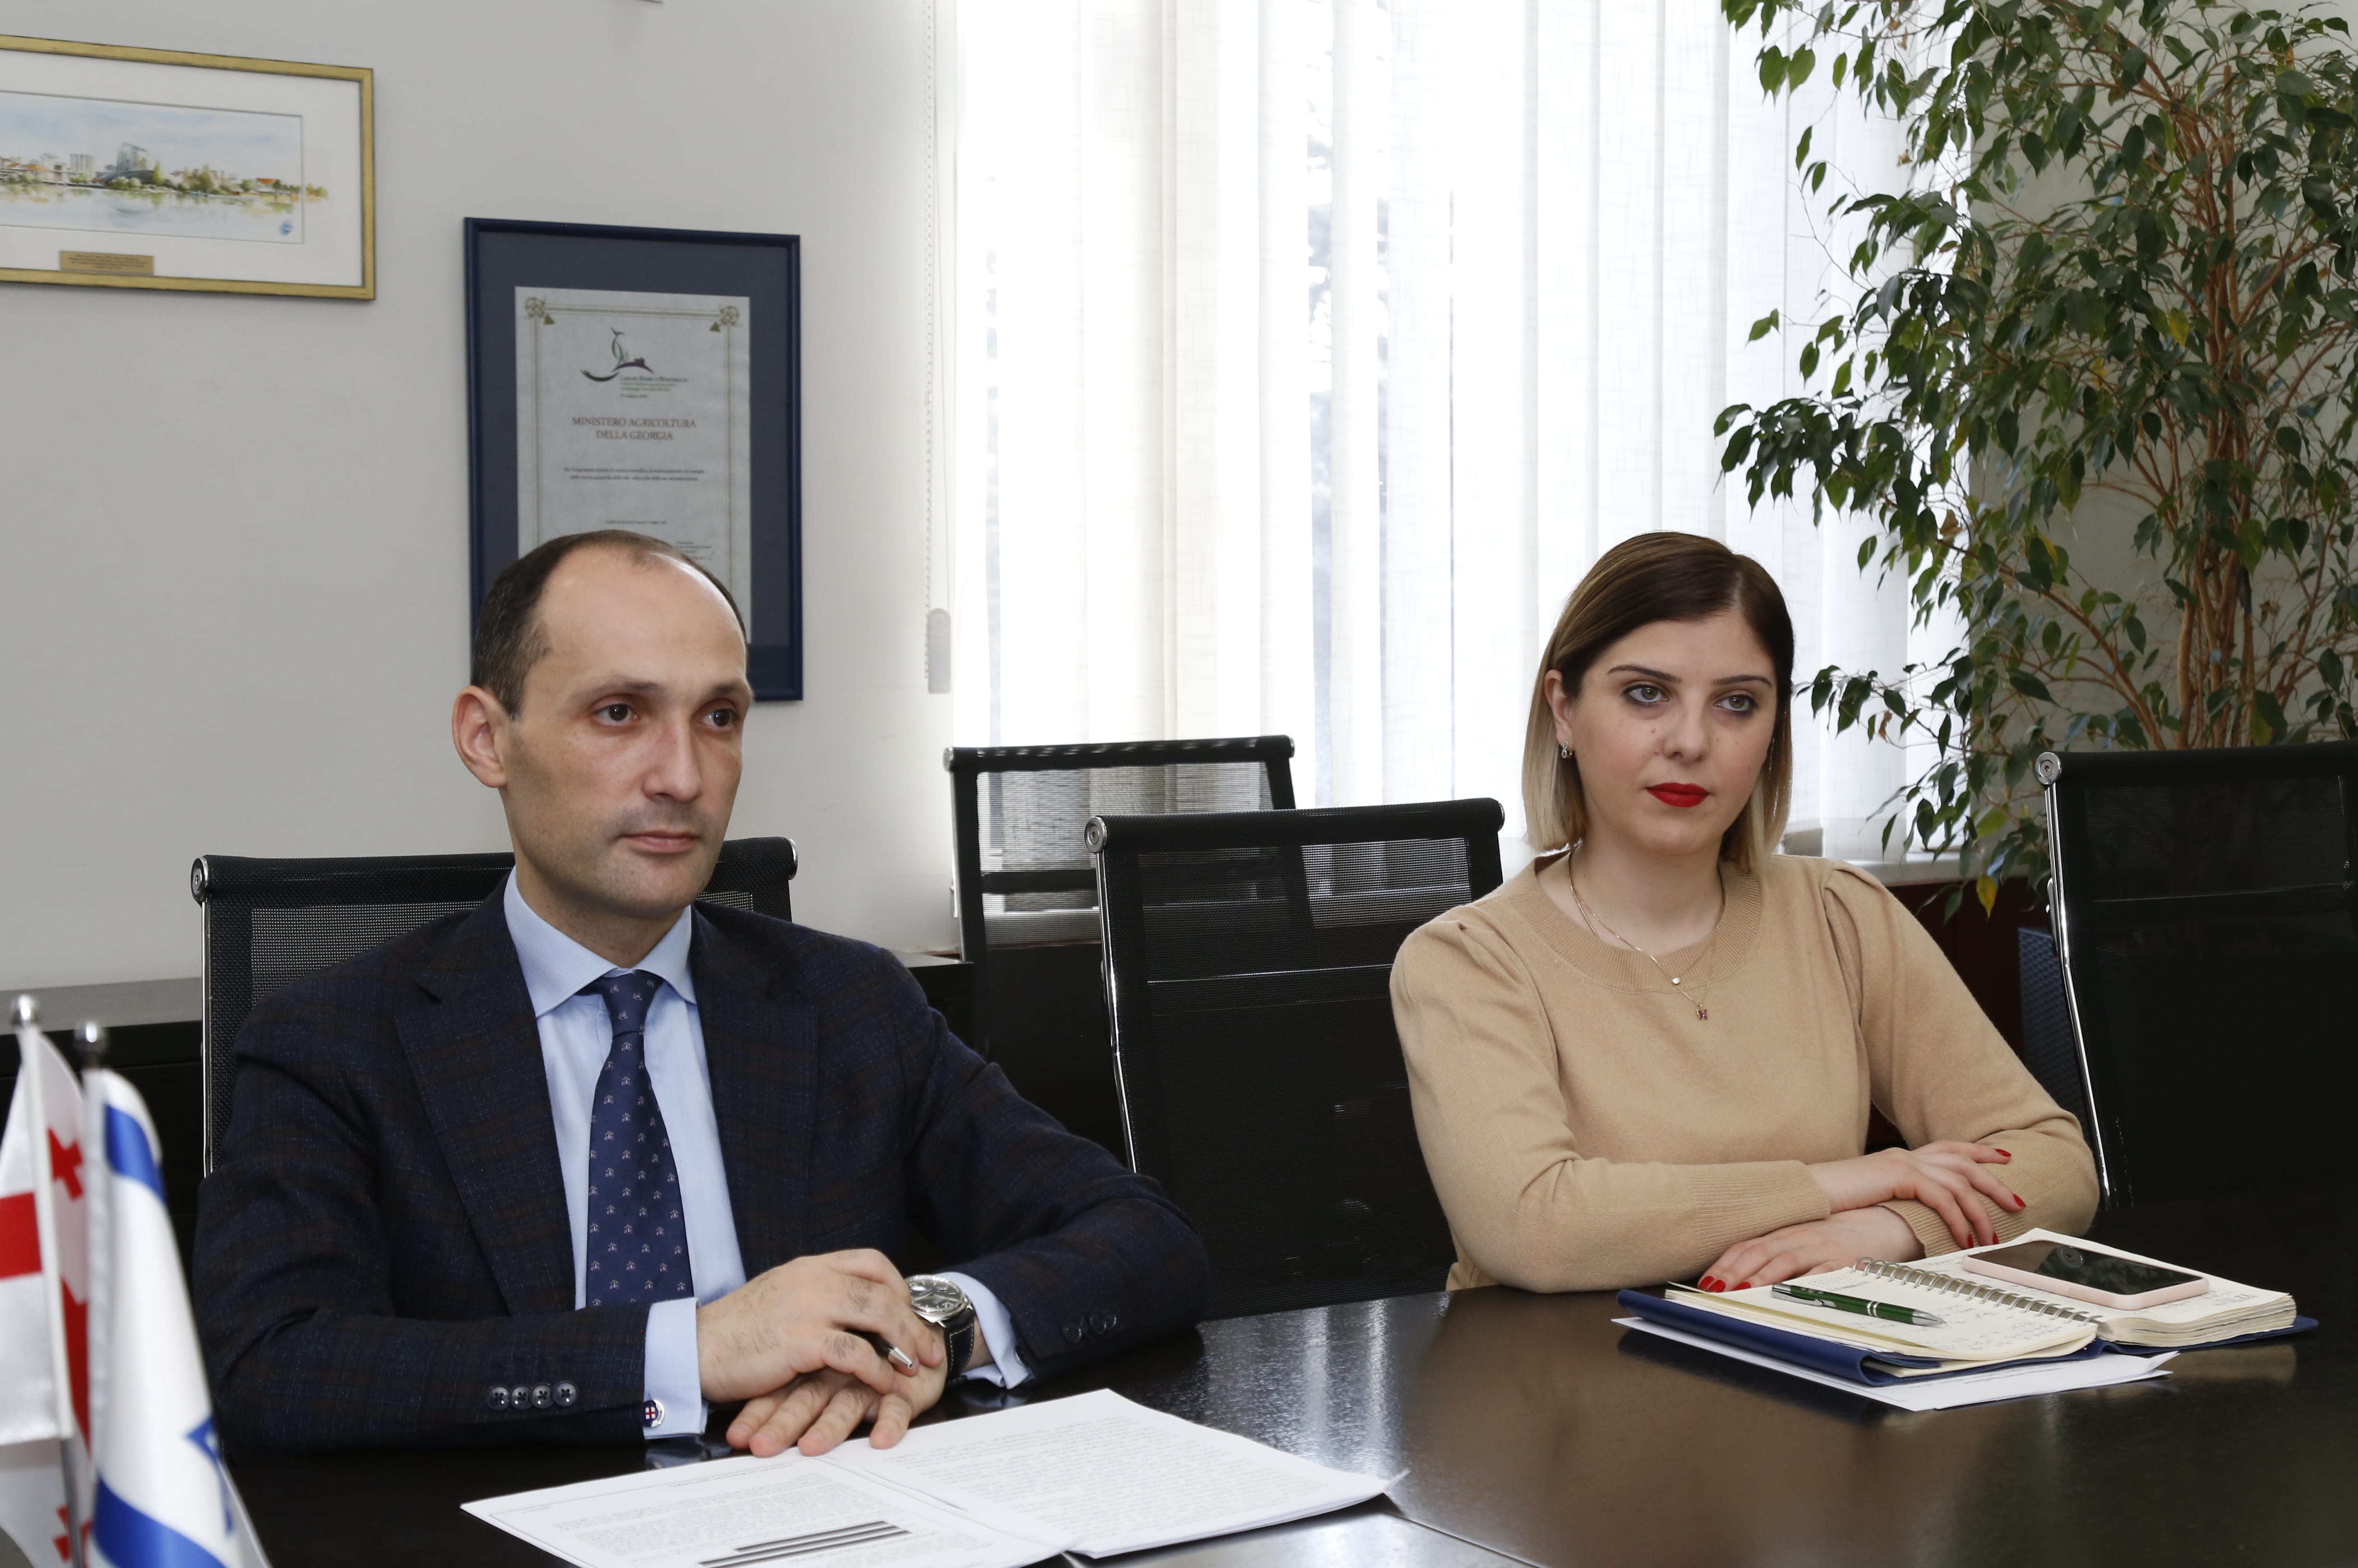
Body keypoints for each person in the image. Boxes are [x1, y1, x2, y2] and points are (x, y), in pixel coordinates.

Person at [196, 530, 1210, 1454]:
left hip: (822, 1511)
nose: (683, 777)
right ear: (487, 739)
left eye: (719, 717)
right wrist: (689, 1351)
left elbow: (1146, 1240)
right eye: (619, 713)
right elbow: (270, 1368)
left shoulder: (850, 1003)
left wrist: (921, 1325)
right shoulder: (334, 1041)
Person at [1389, 531, 2097, 1296]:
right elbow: (1534, 1228)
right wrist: (1846, 1181)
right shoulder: (1468, 959)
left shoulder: (1839, 915)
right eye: (1646, 694)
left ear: (1771, 732)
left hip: (1810, 1355)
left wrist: (1884, 1229)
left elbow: (2053, 1166)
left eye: (1737, 703)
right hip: (1561, 1366)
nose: (1691, 742)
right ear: (1564, 709)